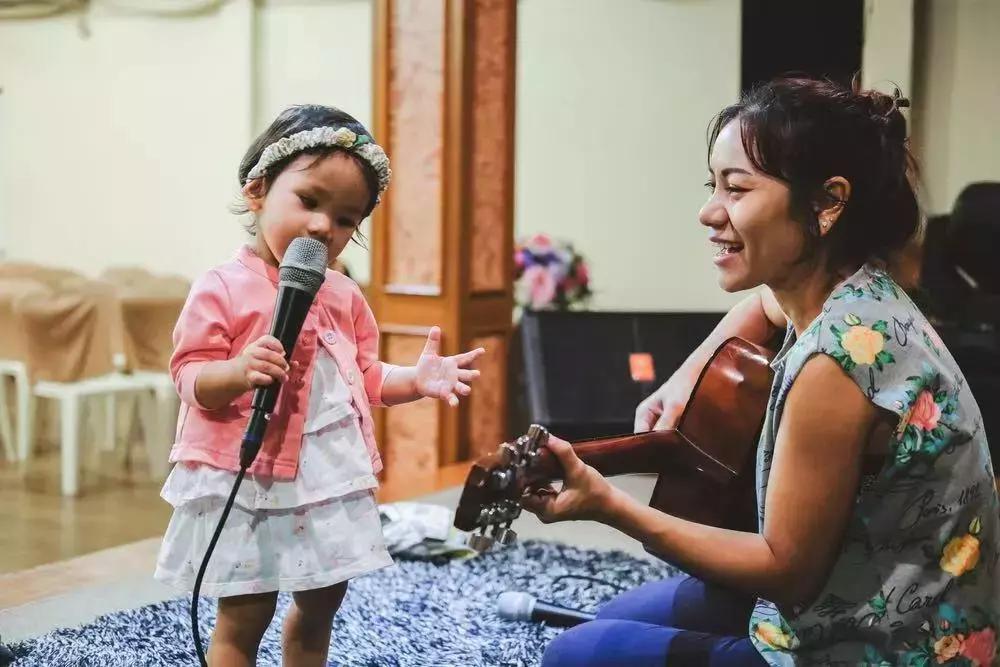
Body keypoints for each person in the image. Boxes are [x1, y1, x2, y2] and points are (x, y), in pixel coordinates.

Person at [522, 77, 999, 666]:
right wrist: (684, 378)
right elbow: (761, 307)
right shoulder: (853, 288)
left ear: (827, 203)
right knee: (617, 618)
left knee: (575, 655)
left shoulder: (835, 366)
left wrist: (610, 506)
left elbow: (786, 571)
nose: (708, 211)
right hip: (854, 595)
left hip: (885, 647)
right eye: (712, 185)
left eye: (737, 189)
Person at [153, 104, 485, 667]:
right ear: (258, 190)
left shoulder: (343, 295)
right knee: (246, 612)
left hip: (324, 482)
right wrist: (236, 371)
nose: (321, 228)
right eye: (308, 202)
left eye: (344, 220)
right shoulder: (221, 288)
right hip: (249, 476)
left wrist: (416, 380)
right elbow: (188, 375)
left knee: (324, 599)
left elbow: (363, 378)